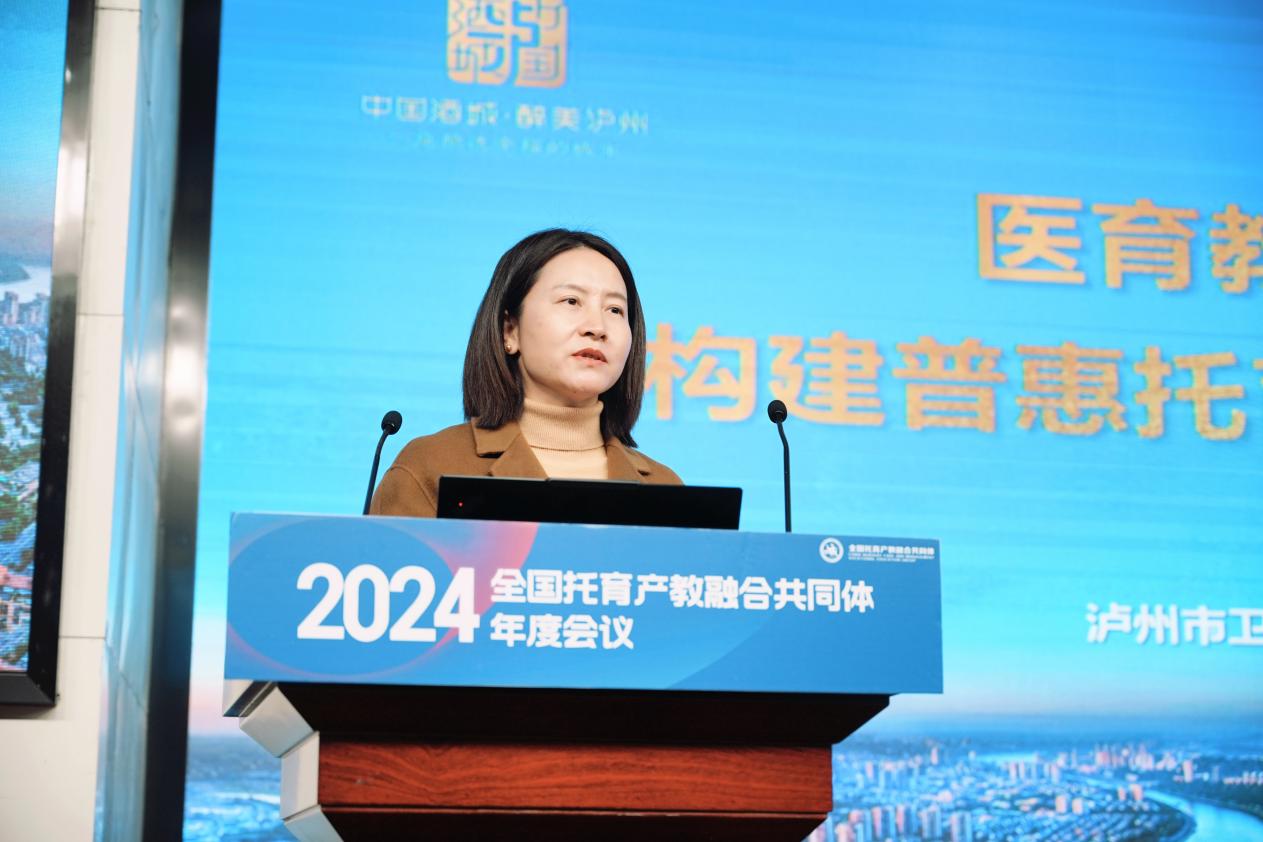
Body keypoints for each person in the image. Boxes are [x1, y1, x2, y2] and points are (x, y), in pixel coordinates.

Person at [370, 229, 682, 517]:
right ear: (510, 330)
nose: (597, 327)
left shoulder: (665, 488)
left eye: (615, 309)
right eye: (571, 301)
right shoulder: (431, 468)